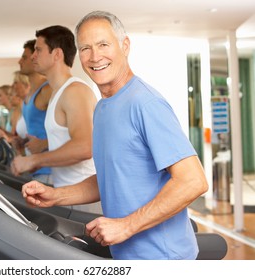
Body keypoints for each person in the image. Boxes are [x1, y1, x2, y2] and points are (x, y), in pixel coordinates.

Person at [21, 11, 208, 260]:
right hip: (125, 254)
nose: (95, 56)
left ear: (125, 46)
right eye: (85, 48)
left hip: (163, 258)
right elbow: (112, 176)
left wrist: (126, 225)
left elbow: (193, 181)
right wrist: (57, 195)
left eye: (103, 44)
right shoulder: (103, 108)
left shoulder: (145, 103)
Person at [12, 25, 101, 213]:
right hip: (68, 195)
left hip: (85, 199)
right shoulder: (57, 93)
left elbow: (85, 147)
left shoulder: (75, 91)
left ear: (57, 54)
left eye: (38, 50)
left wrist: (34, 160)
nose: (33, 56)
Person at [17, 39, 53, 184]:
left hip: (50, 172)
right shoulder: (29, 94)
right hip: (35, 169)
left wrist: (44, 143)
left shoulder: (47, 90)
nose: (20, 61)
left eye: (24, 57)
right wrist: (22, 141)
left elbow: (70, 131)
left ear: (35, 58)